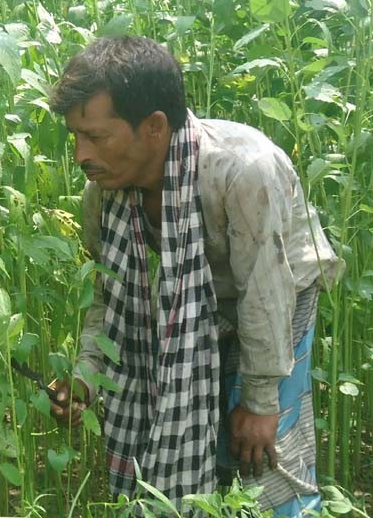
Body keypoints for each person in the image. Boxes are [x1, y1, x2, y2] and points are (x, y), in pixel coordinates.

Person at [47, 36, 343, 515]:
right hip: (192, 305)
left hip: (280, 291)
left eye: (97, 137)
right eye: (75, 137)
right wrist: (86, 377)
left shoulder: (243, 171)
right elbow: (110, 300)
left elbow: (265, 292)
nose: (81, 154)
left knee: (261, 452)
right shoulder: (102, 193)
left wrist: (261, 402)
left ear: (154, 127)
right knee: (202, 444)